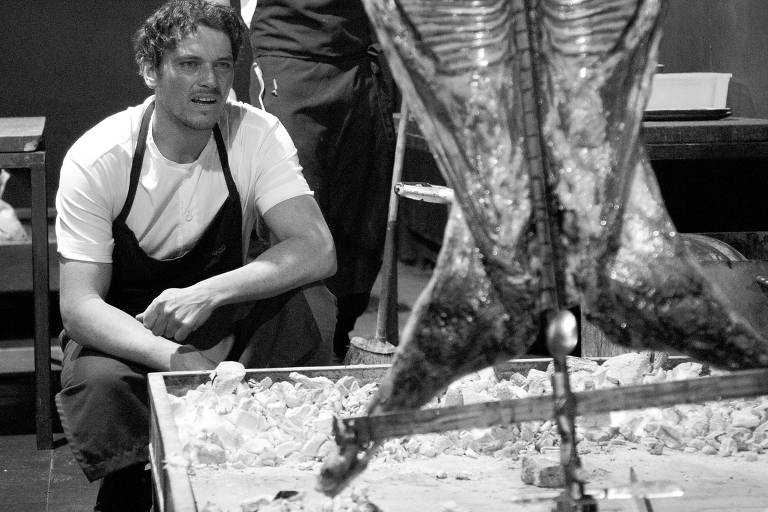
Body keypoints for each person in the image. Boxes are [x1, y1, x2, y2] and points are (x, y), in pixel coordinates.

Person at [54, 1, 336, 510]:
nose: (209, 81)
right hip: (128, 329)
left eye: (222, 64)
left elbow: (316, 249)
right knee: (98, 381)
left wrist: (208, 293)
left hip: (218, 313)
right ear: (150, 71)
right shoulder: (100, 158)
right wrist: (181, 361)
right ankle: (135, 488)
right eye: (189, 64)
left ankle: (270, 467)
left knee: (311, 306)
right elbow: (78, 306)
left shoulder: (256, 133)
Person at [233, 0, 397, 360]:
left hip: (359, 63)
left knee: (362, 221)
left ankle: (336, 344)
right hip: (289, 59)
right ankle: (276, 352)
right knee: (290, 222)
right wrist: (221, 71)